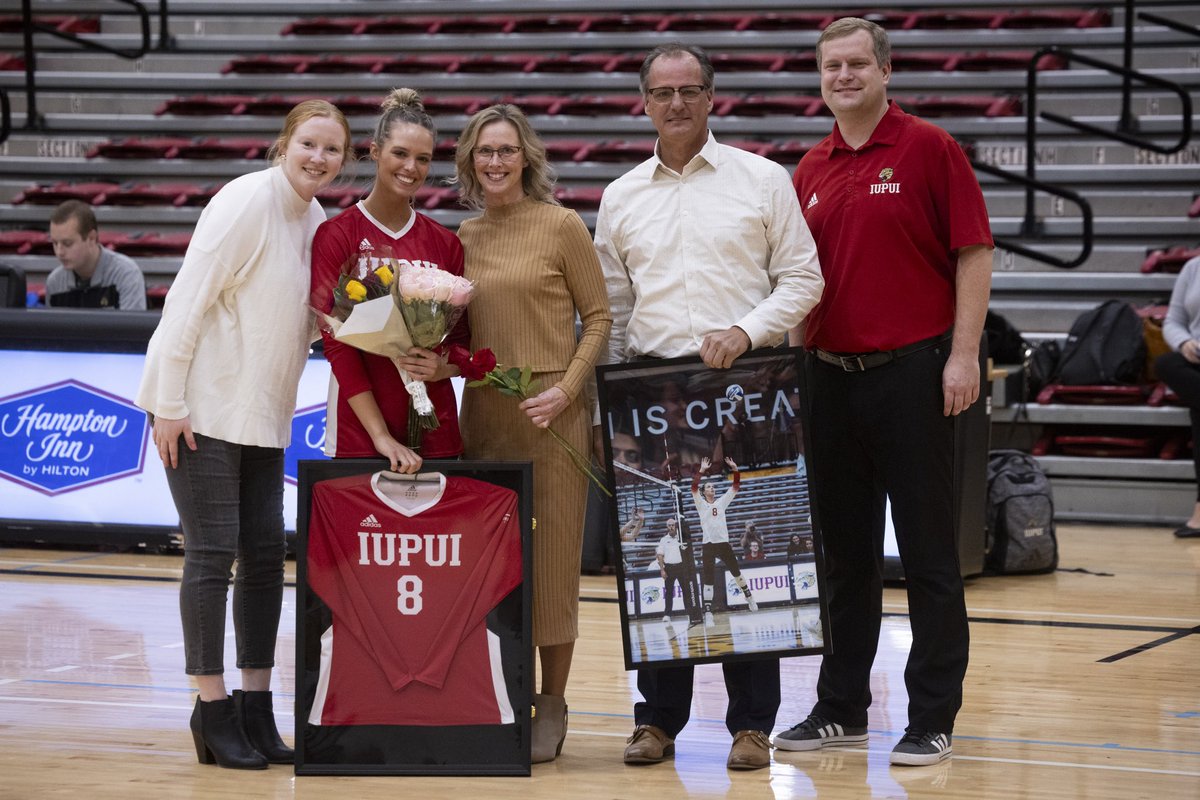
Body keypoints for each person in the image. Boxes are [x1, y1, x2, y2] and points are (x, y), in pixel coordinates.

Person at [595, 43, 823, 771]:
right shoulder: (621, 195)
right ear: (644, 102)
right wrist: (613, 401)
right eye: (663, 92)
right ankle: (657, 721)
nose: (676, 103)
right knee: (661, 564)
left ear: (711, 96)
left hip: (747, 387)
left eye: (689, 90)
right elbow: (615, 307)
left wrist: (746, 331)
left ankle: (752, 724)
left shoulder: (762, 179)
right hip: (654, 394)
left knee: (745, 559)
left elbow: (803, 279)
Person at [772, 18, 993, 767]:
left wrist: (963, 355)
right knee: (844, 559)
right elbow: (798, 289)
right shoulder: (809, 168)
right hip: (828, 382)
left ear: (886, 69)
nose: (843, 75)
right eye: (831, 65)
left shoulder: (930, 148)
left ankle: (932, 714)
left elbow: (974, 252)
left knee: (930, 554)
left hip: (915, 375)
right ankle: (842, 709)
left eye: (856, 63)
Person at [136, 100, 352, 769]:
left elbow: (308, 319)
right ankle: (211, 708)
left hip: (262, 416)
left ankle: (257, 708)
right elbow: (188, 302)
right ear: (285, 143)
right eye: (309, 145)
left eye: (333, 151)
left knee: (264, 559)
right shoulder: (243, 201)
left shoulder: (313, 217)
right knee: (211, 555)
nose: (319, 159)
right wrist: (168, 403)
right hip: (200, 409)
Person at [452, 103, 612, 763]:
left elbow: (599, 317)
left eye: (505, 150)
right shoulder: (459, 237)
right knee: (493, 567)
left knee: (550, 569)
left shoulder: (562, 225)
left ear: (526, 158)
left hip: (553, 414)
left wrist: (567, 390)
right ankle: (501, 691)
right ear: (469, 161)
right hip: (486, 412)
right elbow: (455, 335)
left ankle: (553, 699)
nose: (495, 161)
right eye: (483, 151)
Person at [310, 88, 467, 473]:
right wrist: (380, 436)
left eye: (423, 159)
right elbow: (337, 345)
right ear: (376, 151)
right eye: (400, 153)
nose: (411, 167)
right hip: (360, 434)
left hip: (436, 429)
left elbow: (463, 342)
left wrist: (442, 367)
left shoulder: (446, 243)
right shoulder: (337, 234)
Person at [1153, 254, 1200, 538]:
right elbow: (1173, 320)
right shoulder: (1193, 267)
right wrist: (1184, 342)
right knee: (1166, 363)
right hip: (1195, 360)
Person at [691, 456, 758, 624]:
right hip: (708, 545)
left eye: (713, 486)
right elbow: (693, 487)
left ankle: (749, 597)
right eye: (708, 487)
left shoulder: (721, 503)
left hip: (723, 544)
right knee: (708, 579)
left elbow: (735, 486)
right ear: (704, 492)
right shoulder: (700, 504)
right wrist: (701, 471)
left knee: (736, 572)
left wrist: (735, 469)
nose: (712, 488)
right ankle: (708, 612)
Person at [46, 200, 146, 309]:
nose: (59, 252)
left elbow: (131, 325)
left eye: (67, 243)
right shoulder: (54, 282)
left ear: (91, 238)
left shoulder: (126, 274)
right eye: (55, 243)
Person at [655, 517, 696, 623]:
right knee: (668, 592)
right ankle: (667, 614)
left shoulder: (681, 538)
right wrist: (662, 570)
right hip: (669, 568)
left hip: (681, 567)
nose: (671, 527)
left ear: (676, 525)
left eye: (673, 524)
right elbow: (660, 554)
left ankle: (689, 613)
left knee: (686, 591)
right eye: (669, 525)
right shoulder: (663, 540)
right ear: (667, 527)